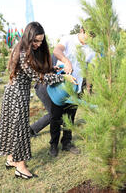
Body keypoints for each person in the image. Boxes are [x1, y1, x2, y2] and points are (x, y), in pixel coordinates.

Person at [0, 22, 76, 179]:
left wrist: (53, 70)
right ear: (28, 37)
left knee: (15, 127)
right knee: (20, 130)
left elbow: (39, 70)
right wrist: (63, 76)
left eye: (41, 41)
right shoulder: (23, 52)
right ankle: (20, 166)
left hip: (18, 93)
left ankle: (11, 158)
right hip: (16, 95)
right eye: (35, 41)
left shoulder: (28, 50)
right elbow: (39, 77)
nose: (38, 44)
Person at [30, 27, 95, 157]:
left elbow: (89, 69)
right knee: (55, 116)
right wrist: (67, 61)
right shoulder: (68, 39)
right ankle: (53, 145)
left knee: (70, 117)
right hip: (60, 85)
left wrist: (88, 88)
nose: (91, 38)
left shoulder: (91, 49)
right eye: (89, 34)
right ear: (82, 30)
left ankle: (67, 143)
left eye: (93, 36)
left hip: (75, 87)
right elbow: (57, 51)